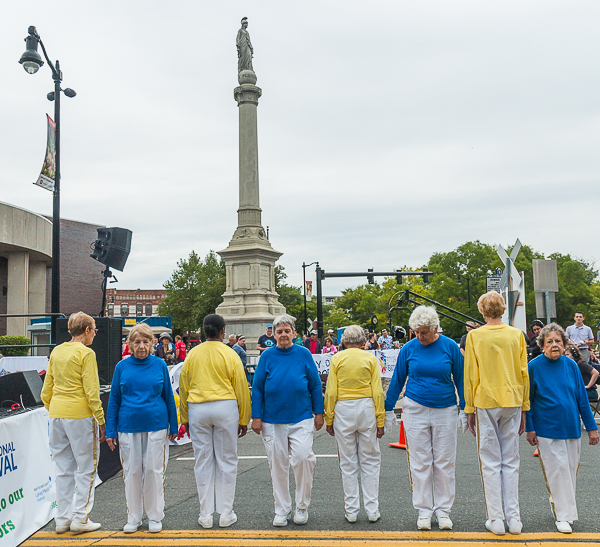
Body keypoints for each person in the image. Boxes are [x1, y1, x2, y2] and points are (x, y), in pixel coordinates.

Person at [385, 306, 464, 531]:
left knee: (444, 461)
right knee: (420, 462)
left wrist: (465, 407)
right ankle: (423, 510)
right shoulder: (409, 349)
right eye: (416, 332)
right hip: (415, 408)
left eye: (424, 332)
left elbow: (461, 377)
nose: (420, 336)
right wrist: (388, 408)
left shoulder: (449, 346)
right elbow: (397, 379)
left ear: (434, 328)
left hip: (446, 408)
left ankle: (443, 510)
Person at [464, 291, 529, 536]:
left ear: (482, 311)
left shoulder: (475, 337)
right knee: (511, 459)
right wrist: (525, 406)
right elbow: (524, 372)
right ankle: (514, 518)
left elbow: (471, 374)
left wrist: (469, 408)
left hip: (486, 398)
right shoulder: (516, 335)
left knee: (490, 460)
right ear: (503, 309)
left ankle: (496, 518)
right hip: (512, 397)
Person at [525, 323, 599, 533]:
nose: (554, 345)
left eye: (558, 341)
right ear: (542, 344)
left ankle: (567, 512)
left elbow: (581, 398)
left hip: (572, 428)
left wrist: (592, 428)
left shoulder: (571, 365)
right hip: (547, 429)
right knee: (557, 472)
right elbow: (528, 401)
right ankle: (561, 516)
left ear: (565, 344)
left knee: (569, 472)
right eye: (550, 342)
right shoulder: (534, 367)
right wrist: (530, 428)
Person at [251, 314, 324, 527]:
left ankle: (302, 506)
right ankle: (281, 509)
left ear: (293, 333)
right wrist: (256, 417)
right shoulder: (266, 357)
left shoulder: (304, 354)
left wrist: (319, 412)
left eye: (286, 331)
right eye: (279, 331)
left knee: (302, 458)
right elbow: (257, 388)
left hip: (301, 416)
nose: (283, 335)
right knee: (277, 465)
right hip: (272, 420)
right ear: (273, 334)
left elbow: (315, 385)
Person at [179, 314, 251, 529]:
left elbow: (184, 386)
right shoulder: (230, 354)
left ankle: (205, 514)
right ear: (222, 332)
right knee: (227, 460)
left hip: (198, 407)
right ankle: (226, 512)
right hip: (225, 406)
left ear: (203, 331)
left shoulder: (192, 354)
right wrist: (244, 417)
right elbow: (241, 386)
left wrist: (184, 417)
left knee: (203, 461)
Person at [106, 323, 179, 533]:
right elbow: (114, 401)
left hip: (156, 425)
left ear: (152, 343)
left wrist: (173, 425)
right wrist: (111, 430)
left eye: (145, 341)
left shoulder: (159, 365)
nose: (141, 346)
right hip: (128, 427)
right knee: (132, 472)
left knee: (154, 471)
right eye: (137, 342)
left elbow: (168, 398)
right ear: (129, 344)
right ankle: (134, 517)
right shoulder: (121, 367)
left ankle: (155, 516)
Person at [41, 312, 106, 534]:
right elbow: (91, 390)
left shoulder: (57, 351)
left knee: (62, 468)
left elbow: (46, 389)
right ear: (87, 330)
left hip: (57, 413)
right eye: (94, 329)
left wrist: (54, 408)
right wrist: (100, 419)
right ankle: (81, 517)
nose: (95, 334)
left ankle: (62, 518)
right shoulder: (86, 353)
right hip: (80, 414)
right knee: (87, 467)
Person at [324, 325, 385, 523]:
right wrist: (380, 419)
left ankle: (351, 509)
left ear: (343, 342)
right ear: (362, 342)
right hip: (366, 406)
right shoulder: (370, 358)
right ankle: (372, 508)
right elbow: (378, 391)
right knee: (370, 459)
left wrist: (329, 418)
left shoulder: (336, 358)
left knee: (348, 462)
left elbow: (331, 391)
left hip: (343, 407)